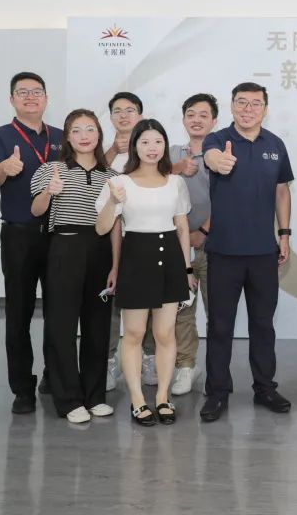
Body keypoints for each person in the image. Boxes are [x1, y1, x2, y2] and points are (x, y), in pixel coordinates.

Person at [199, 83, 295, 421]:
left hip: (263, 252)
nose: (248, 109)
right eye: (242, 102)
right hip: (223, 251)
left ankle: (265, 388)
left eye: (255, 103)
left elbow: (282, 192)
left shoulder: (275, 144)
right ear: (232, 106)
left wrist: (284, 234)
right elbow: (211, 157)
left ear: (265, 109)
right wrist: (219, 161)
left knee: (263, 325)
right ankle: (217, 392)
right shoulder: (218, 139)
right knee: (220, 326)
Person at [95, 119, 193, 426]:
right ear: (135, 146)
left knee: (165, 333)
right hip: (136, 258)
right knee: (135, 333)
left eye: (158, 142)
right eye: (145, 142)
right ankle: (137, 399)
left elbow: (182, 227)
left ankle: (163, 396)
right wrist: (113, 201)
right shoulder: (120, 183)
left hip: (170, 258)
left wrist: (187, 268)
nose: (153, 148)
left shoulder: (175, 182)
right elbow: (102, 227)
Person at [0, 72, 63, 414]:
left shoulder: (61, 136)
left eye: (37, 91)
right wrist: (4, 168)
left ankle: (54, 376)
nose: (30, 96)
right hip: (19, 235)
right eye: (22, 92)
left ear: (46, 98)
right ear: (12, 99)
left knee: (59, 311)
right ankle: (22, 388)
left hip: (59, 235)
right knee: (19, 313)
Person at [30, 109, 119, 424]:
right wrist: (48, 191)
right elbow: (36, 209)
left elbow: (116, 224)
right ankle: (68, 399)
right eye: (77, 130)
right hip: (65, 247)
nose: (84, 136)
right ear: (67, 136)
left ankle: (95, 396)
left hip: (100, 249)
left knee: (98, 326)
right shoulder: (51, 169)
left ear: (99, 135)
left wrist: (116, 264)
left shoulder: (111, 176)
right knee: (62, 325)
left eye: (90, 129)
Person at [167, 93, 218, 396]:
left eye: (203, 114)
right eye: (190, 114)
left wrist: (202, 230)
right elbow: (149, 177)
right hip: (177, 248)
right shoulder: (172, 152)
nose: (196, 120)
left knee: (217, 313)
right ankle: (186, 366)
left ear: (214, 120)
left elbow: (231, 197)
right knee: (181, 311)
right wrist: (177, 168)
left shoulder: (221, 154)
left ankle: (217, 372)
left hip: (214, 246)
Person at [103, 91, 149, 390]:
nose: (123, 115)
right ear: (110, 117)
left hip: (142, 238)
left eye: (130, 110)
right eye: (117, 110)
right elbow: (93, 176)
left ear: (140, 115)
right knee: (110, 301)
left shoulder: (149, 146)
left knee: (146, 300)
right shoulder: (99, 148)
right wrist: (110, 150)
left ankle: (147, 357)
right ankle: (108, 360)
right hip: (107, 237)